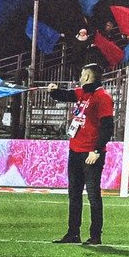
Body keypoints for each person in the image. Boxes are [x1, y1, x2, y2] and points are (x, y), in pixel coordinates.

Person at [48, 62, 113, 245]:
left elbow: (107, 127)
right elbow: (66, 95)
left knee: (93, 195)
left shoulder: (103, 97)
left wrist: (97, 150)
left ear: (87, 76)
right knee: (74, 194)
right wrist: (54, 91)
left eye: (82, 74)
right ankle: (73, 233)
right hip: (75, 150)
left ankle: (95, 235)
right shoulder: (82, 93)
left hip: (90, 153)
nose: (79, 77)